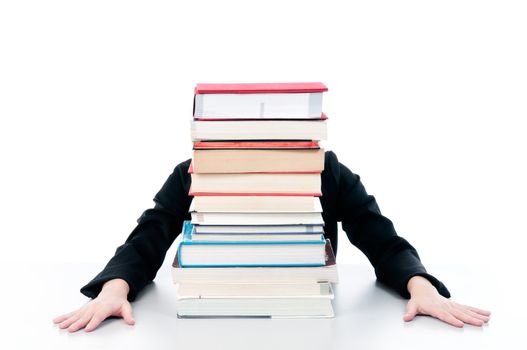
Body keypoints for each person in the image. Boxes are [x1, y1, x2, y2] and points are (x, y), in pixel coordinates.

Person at [53, 151, 491, 332]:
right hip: (212, 324)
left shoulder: (328, 171)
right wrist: (115, 288)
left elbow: (381, 238)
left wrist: (420, 285)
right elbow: (151, 233)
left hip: (313, 327)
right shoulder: (194, 171)